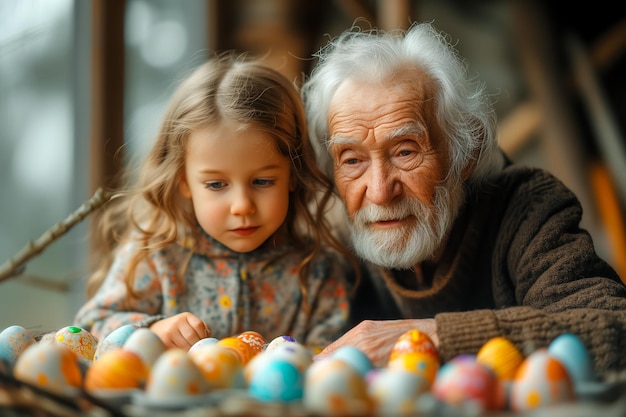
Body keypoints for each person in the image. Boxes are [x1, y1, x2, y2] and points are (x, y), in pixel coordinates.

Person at [300, 21, 626, 379]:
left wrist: (432, 337)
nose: (378, 192)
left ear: (465, 153)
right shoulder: (339, 244)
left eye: (406, 152)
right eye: (352, 160)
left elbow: (612, 326)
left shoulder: (526, 209)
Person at [73, 52, 358, 351]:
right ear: (183, 181)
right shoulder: (155, 256)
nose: (242, 206)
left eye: (262, 181)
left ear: (292, 174)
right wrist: (153, 330)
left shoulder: (316, 270)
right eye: (216, 184)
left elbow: (331, 361)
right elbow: (90, 327)